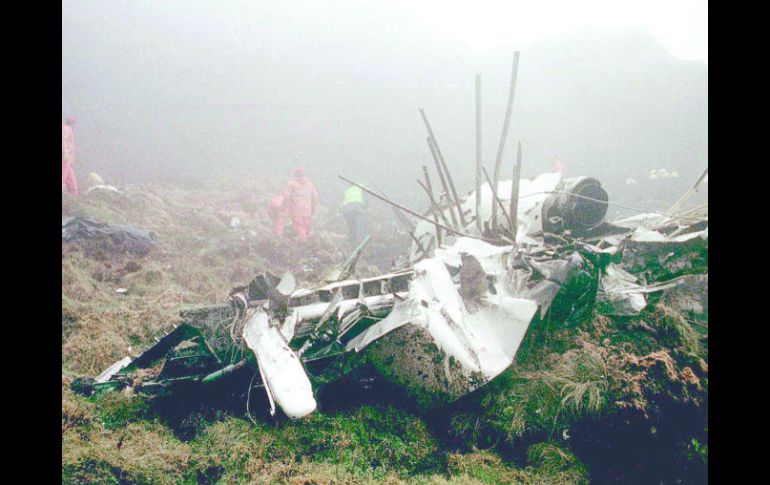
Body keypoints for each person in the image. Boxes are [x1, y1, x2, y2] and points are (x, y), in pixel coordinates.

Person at [281, 167, 319, 242]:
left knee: (299, 227)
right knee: (307, 227)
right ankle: (309, 244)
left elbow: (286, 196)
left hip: (296, 210)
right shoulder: (310, 185)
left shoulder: (291, 184)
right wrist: (312, 209)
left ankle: (303, 244)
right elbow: (315, 197)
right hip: (307, 211)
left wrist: (284, 208)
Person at [62, 117, 79, 195]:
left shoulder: (67, 129)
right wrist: (65, 152)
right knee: (64, 172)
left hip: (69, 156)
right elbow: (64, 140)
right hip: (66, 155)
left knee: (69, 173)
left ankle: (74, 191)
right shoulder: (66, 129)